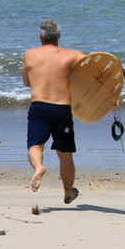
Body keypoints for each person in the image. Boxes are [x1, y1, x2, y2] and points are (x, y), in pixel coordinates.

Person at [21, 19, 86, 203]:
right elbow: (93, 74)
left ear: (40, 37)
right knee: (65, 155)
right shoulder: (73, 55)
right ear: (59, 36)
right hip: (62, 109)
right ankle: (67, 193)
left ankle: (38, 167)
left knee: (35, 146)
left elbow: (27, 82)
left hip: (39, 107)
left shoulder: (30, 54)